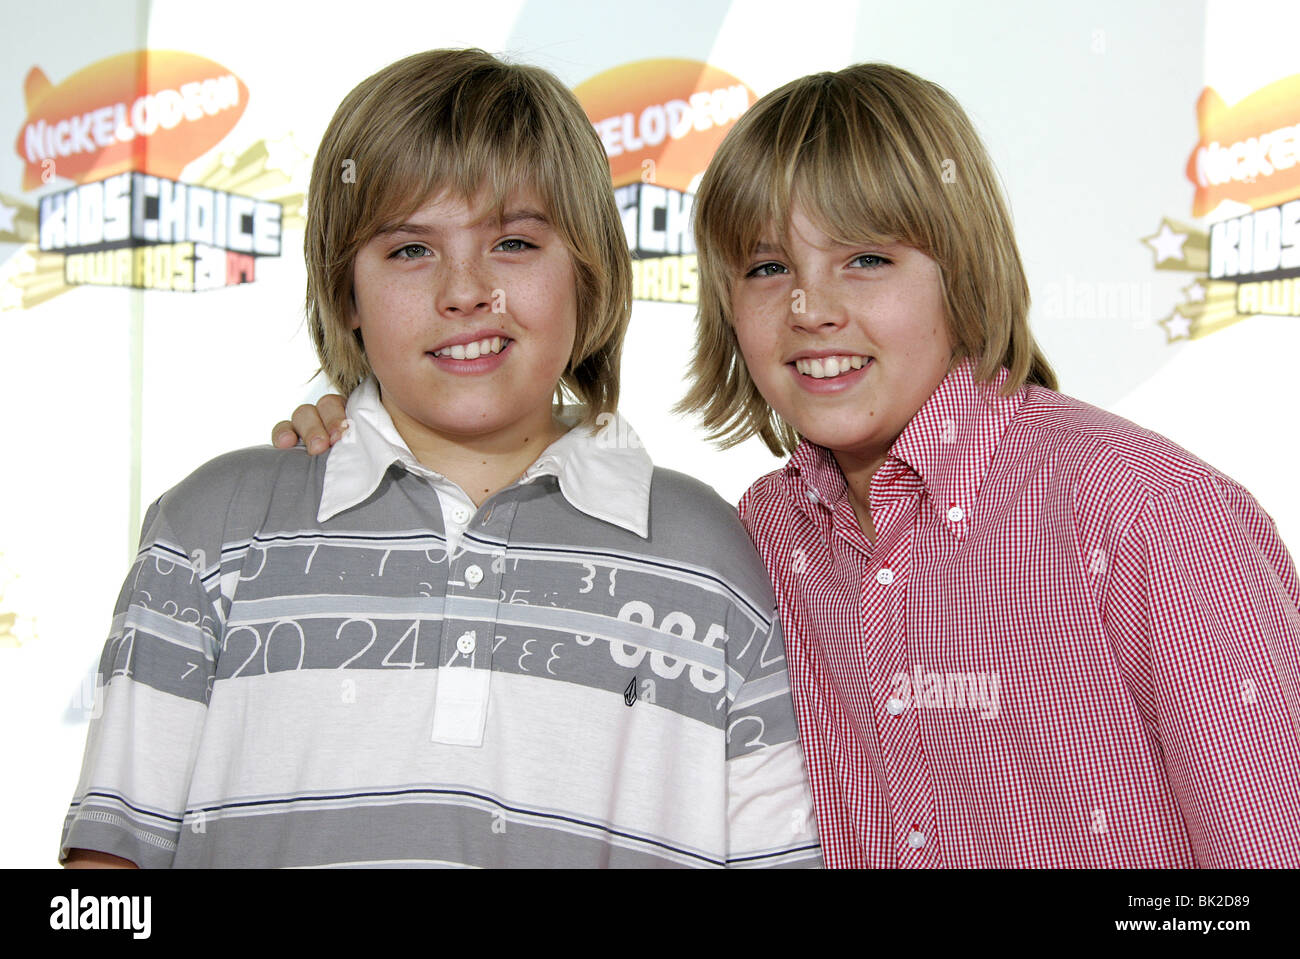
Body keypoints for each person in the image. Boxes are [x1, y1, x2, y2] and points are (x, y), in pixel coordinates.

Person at [283, 61, 1300, 869]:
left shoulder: (1148, 516)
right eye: (768, 267)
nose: (812, 307)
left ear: (964, 265)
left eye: (866, 258)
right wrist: (363, 439)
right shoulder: (758, 540)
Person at [61, 49, 821, 869]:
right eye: (410, 251)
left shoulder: (715, 561)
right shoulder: (210, 532)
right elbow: (107, 874)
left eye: (516, 243)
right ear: (345, 291)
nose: (465, 291)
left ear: (588, 273)